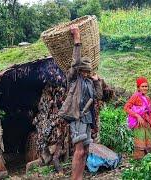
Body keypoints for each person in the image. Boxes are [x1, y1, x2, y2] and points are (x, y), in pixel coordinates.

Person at [58, 25, 102, 180]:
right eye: (84, 70)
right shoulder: (74, 79)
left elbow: (98, 96)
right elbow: (75, 62)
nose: (86, 73)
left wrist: (97, 82)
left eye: (88, 71)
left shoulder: (89, 82)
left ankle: (80, 177)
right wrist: (77, 40)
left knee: (86, 149)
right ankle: (74, 178)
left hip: (87, 118)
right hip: (77, 117)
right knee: (79, 150)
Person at [124, 77, 151, 160]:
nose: (145, 88)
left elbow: (149, 112)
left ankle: (148, 160)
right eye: (142, 86)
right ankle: (139, 161)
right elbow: (126, 108)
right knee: (140, 141)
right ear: (138, 87)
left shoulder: (148, 98)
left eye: (146, 86)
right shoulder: (135, 96)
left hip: (147, 121)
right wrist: (137, 116)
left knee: (148, 141)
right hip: (139, 123)